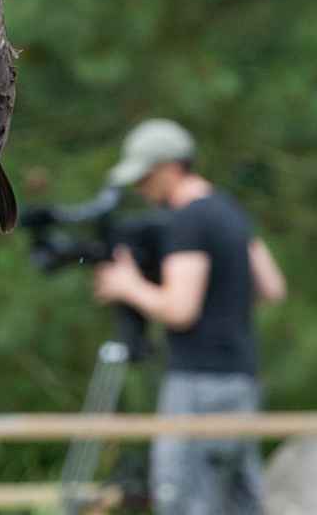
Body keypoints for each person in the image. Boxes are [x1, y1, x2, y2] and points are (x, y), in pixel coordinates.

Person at [93, 118, 287, 515]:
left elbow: (180, 310)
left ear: (169, 166)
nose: (140, 188)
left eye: (144, 176)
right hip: (241, 381)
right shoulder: (229, 210)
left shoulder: (187, 220)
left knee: (184, 500)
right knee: (239, 503)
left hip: (198, 384)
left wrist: (126, 284)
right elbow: (272, 287)